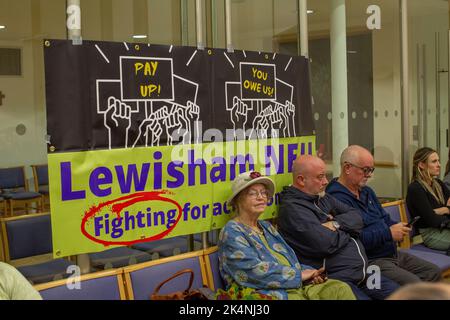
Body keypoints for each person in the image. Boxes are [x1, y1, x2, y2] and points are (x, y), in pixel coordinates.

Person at [217, 170, 356, 300]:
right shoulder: (232, 231)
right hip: (265, 292)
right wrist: (298, 276)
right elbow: (251, 271)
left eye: (264, 193)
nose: (261, 197)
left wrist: (310, 274)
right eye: (253, 193)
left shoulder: (266, 226)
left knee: (340, 289)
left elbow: (290, 261)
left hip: (293, 285)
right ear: (237, 200)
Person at [278, 155, 399, 300]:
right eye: (320, 177)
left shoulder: (322, 197)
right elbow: (325, 243)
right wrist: (351, 231)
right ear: (301, 180)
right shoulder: (293, 209)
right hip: (337, 278)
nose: (325, 182)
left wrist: (336, 224)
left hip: (365, 274)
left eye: (325, 176)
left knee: (402, 295)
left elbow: (357, 216)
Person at [326, 145, 441, 285]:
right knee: (414, 284)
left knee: (432, 271)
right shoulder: (335, 199)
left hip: (391, 253)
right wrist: (388, 234)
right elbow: (355, 241)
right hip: (370, 260)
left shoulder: (367, 191)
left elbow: (384, 218)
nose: (369, 175)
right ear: (347, 168)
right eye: (365, 170)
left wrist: (398, 227)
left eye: (371, 170)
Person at [406, 147, 450, 252]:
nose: (439, 165)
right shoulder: (415, 188)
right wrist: (448, 209)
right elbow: (432, 220)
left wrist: (445, 210)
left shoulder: (439, 184)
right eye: (434, 161)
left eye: (438, 161)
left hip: (445, 228)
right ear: (421, 165)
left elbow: (435, 216)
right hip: (431, 234)